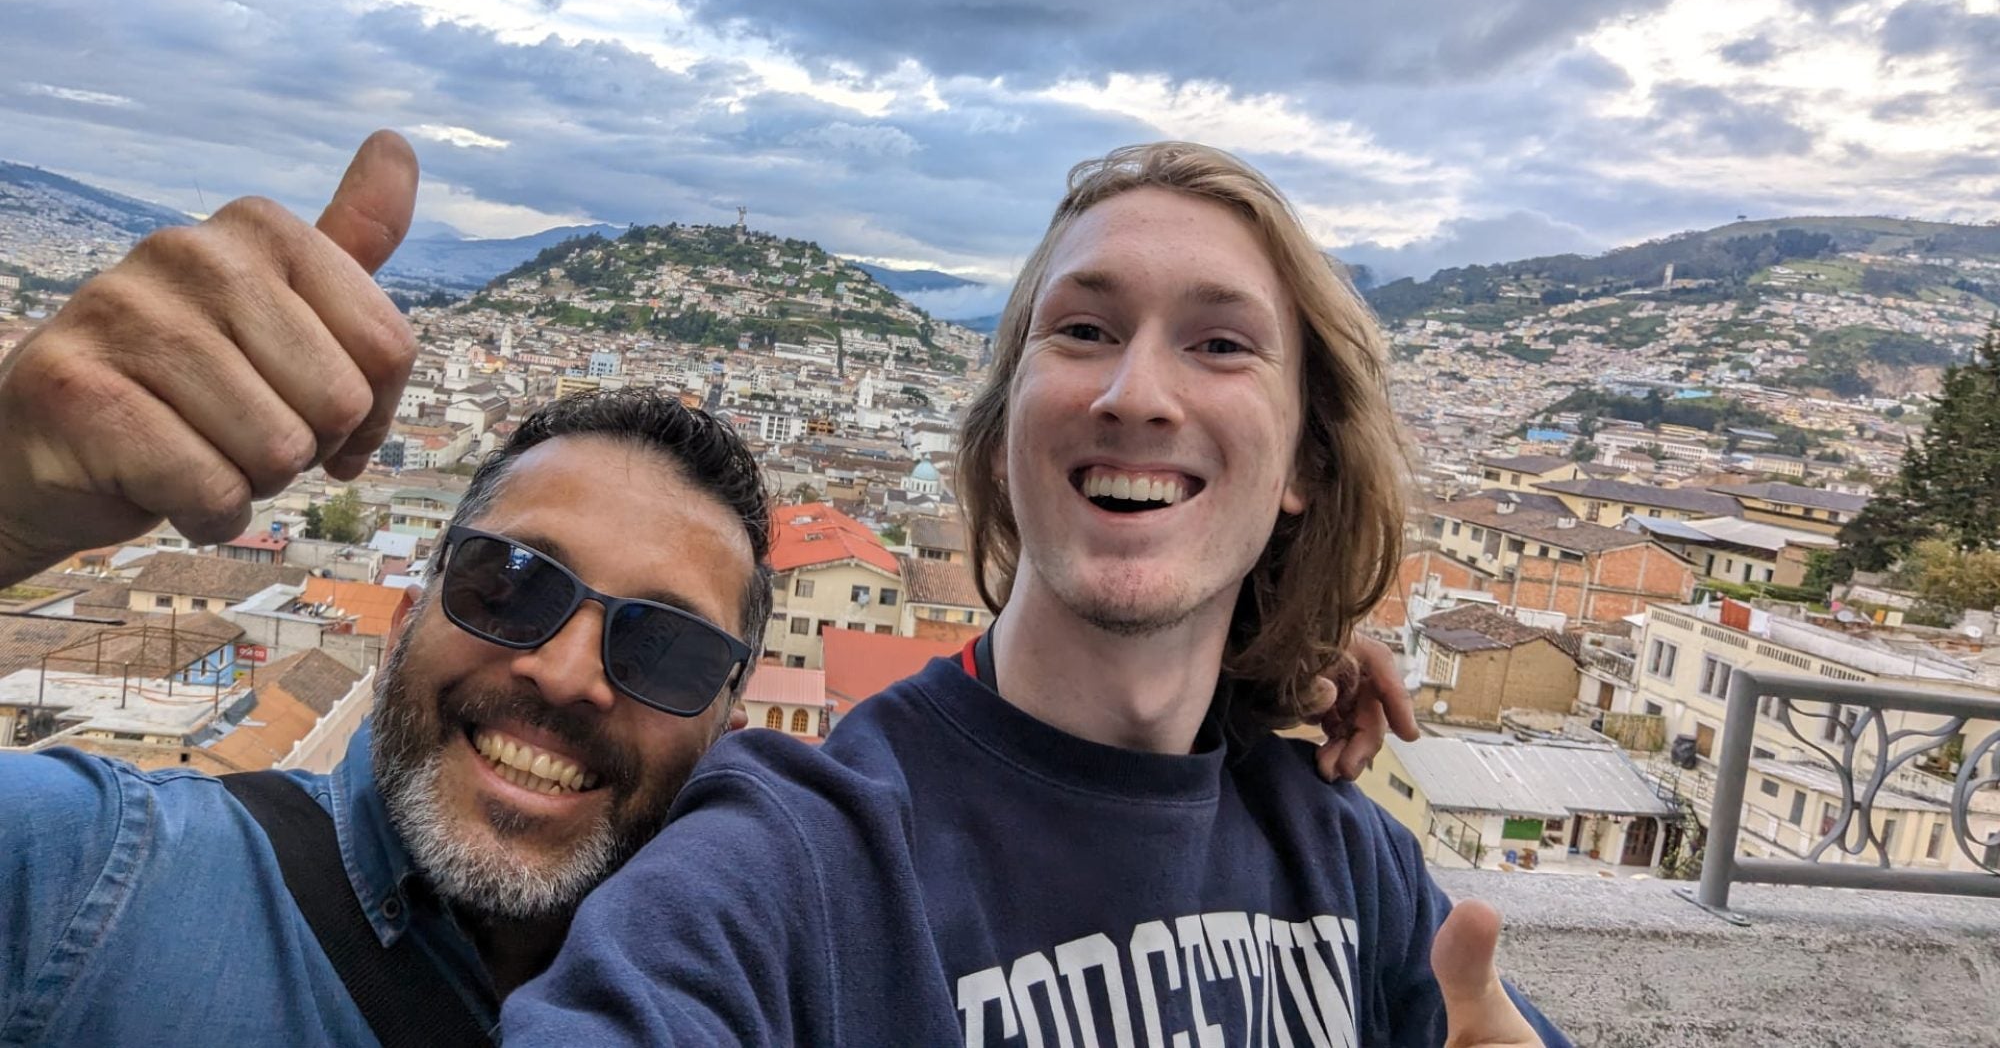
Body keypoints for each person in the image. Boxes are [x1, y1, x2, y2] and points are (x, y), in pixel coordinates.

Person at [0, 134, 1411, 1046]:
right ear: (412, 589)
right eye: (511, 582)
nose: (562, 670)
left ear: (734, 713)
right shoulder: (104, 874)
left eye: (665, 648)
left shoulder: (1349, 860)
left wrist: (1263, 649)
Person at [503, 143, 1571, 1045]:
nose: (1134, 394)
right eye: (1084, 331)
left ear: (1304, 466)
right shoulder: (801, 863)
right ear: (1004, 429)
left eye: (1219, 344)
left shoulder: (1352, 867)